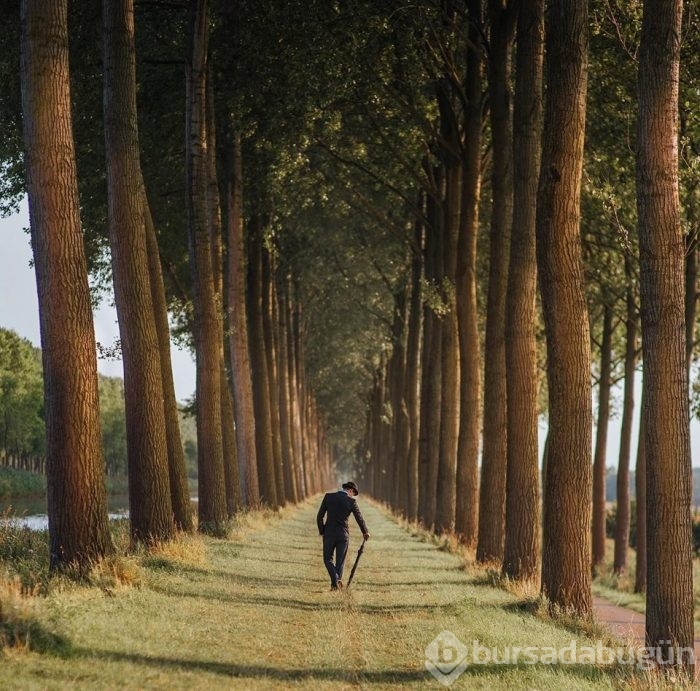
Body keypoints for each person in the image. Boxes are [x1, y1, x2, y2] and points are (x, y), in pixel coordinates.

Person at [316, 481, 370, 591]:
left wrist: (322, 531)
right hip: (343, 535)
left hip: (329, 534)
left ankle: (335, 584)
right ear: (350, 490)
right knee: (340, 562)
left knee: (327, 560)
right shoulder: (351, 502)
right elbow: (359, 518)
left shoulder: (328, 497)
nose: (352, 495)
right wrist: (365, 532)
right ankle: (336, 583)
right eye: (353, 493)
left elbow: (319, 516)